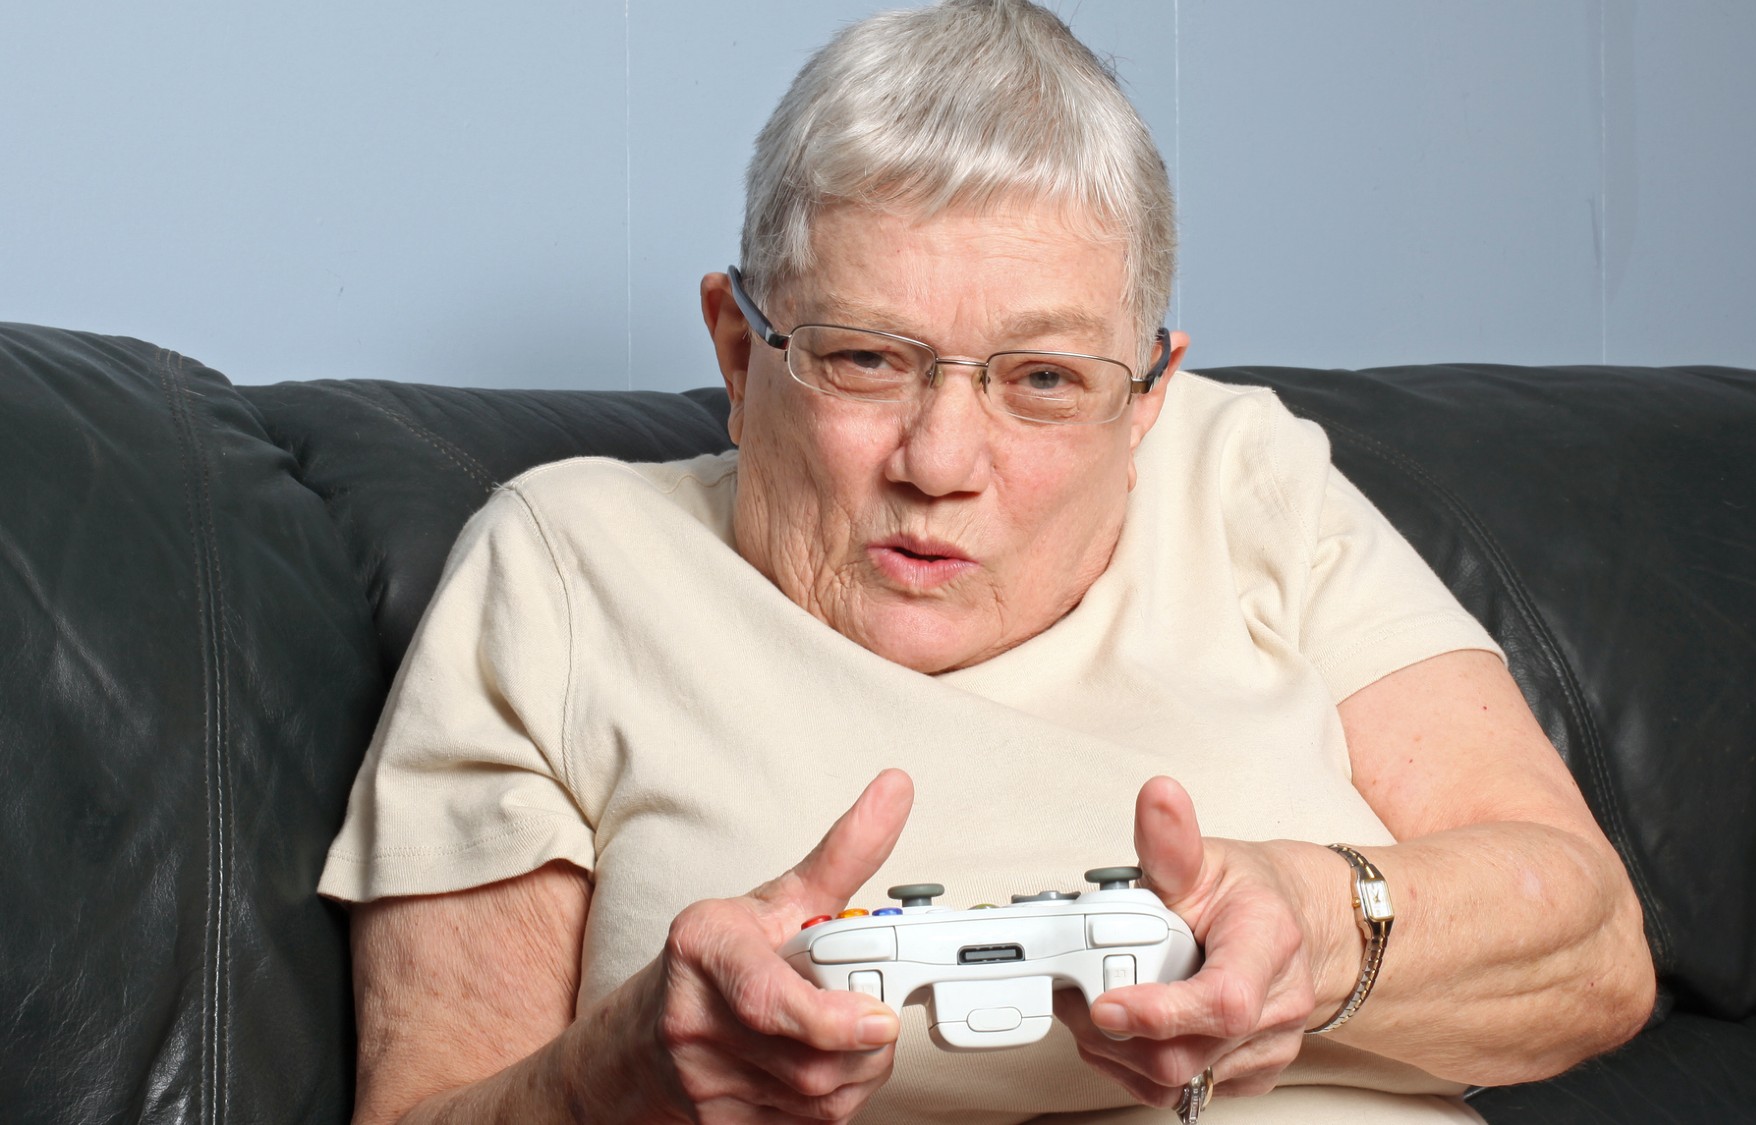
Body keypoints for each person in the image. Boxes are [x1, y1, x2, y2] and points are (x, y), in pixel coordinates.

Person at [318, 2, 1655, 1121]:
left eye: (1044, 379)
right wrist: (619, 1073)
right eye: (865, 357)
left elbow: (1595, 944)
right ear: (738, 350)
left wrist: (1316, 919)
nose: (941, 458)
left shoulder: (1245, 474)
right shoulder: (567, 570)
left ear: (1148, 400)